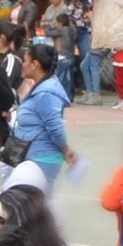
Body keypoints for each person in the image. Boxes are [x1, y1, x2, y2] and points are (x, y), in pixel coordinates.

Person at [12, 39, 76, 180]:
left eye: (25, 61)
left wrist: (66, 150)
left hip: (41, 156)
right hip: (34, 154)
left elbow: (55, 127)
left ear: (35, 64)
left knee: (39, 199)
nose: (22, 65)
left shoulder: (45, 93)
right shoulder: (41, 87)